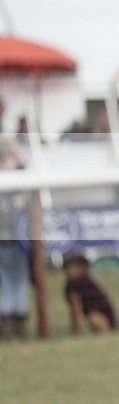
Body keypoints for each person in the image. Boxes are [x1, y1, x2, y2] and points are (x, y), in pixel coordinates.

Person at [0, 138, 31, 341]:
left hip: (17, 242)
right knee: (13, 282)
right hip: (9, 241)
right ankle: (11, 327)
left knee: (15, 281)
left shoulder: (20, 177)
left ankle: (15, 327)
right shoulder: (12, 181)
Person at [63, 254, 116, 334]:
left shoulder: (76, 284)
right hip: (105, 318)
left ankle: (104, 330)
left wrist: (78, 331)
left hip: (103, 319)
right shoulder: (82, 282)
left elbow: (77, 310)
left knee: (93, 318)